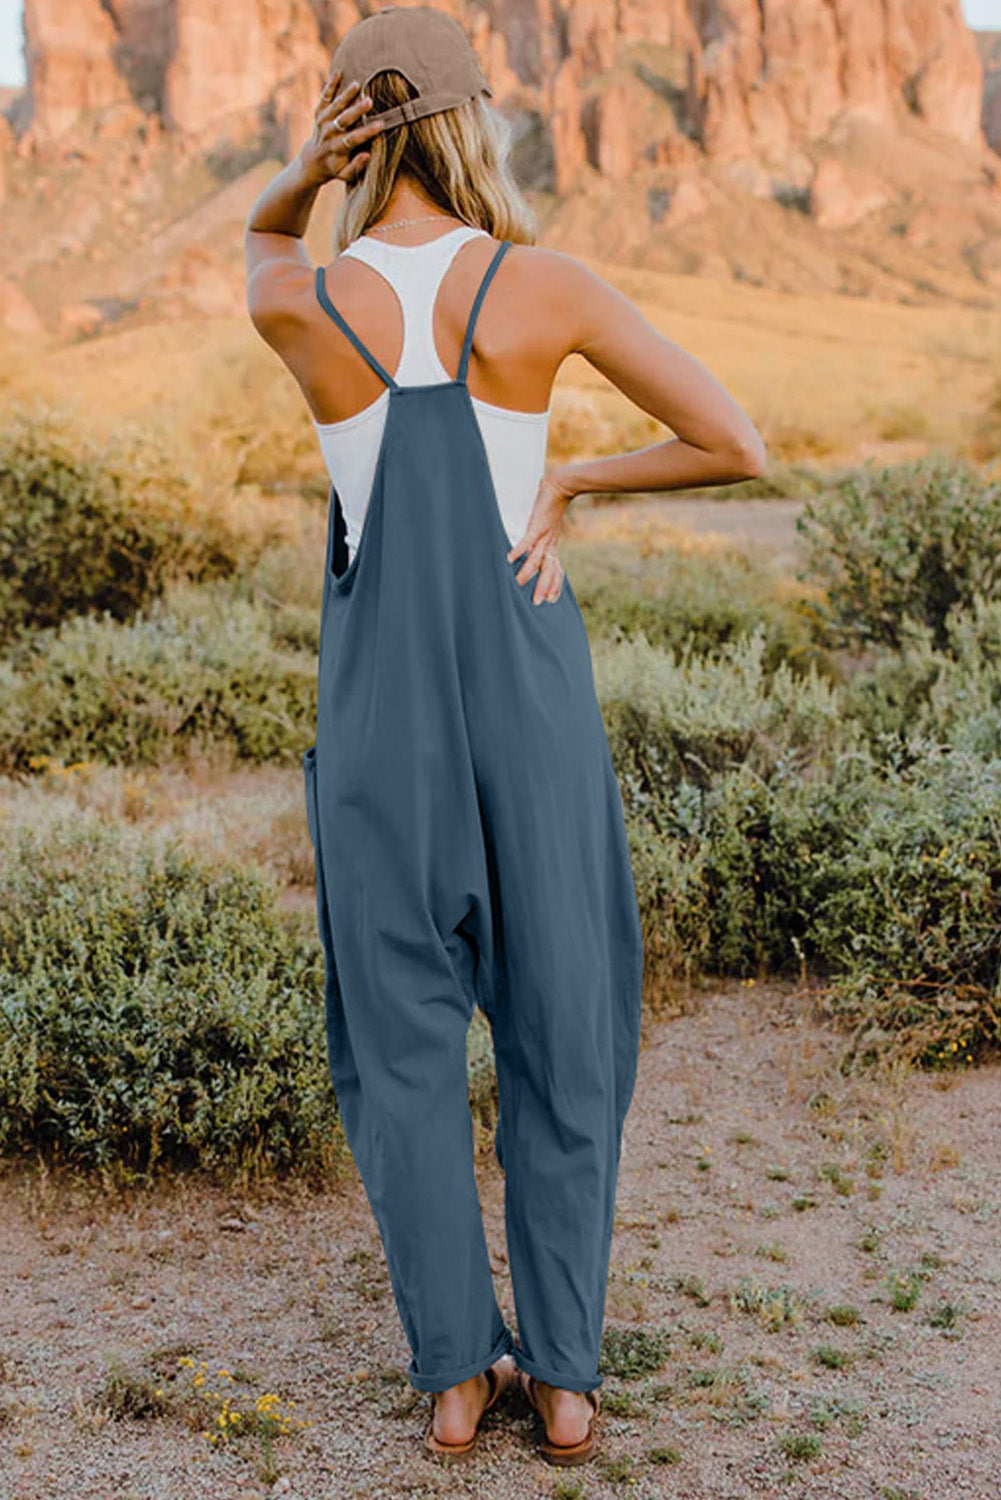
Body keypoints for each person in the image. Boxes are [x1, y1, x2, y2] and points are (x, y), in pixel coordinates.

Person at [244, 4, 765, 1468]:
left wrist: (301, 171)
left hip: (377, 724)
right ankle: (571, 1379)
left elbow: (259, 252)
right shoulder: (542, 287)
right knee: (563, 1031)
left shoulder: (304, 302)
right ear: (472, 121)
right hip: (528, 706)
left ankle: (455, 1380)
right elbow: (737, 440)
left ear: (354, 130)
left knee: (400, 1044)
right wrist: (577, 478)